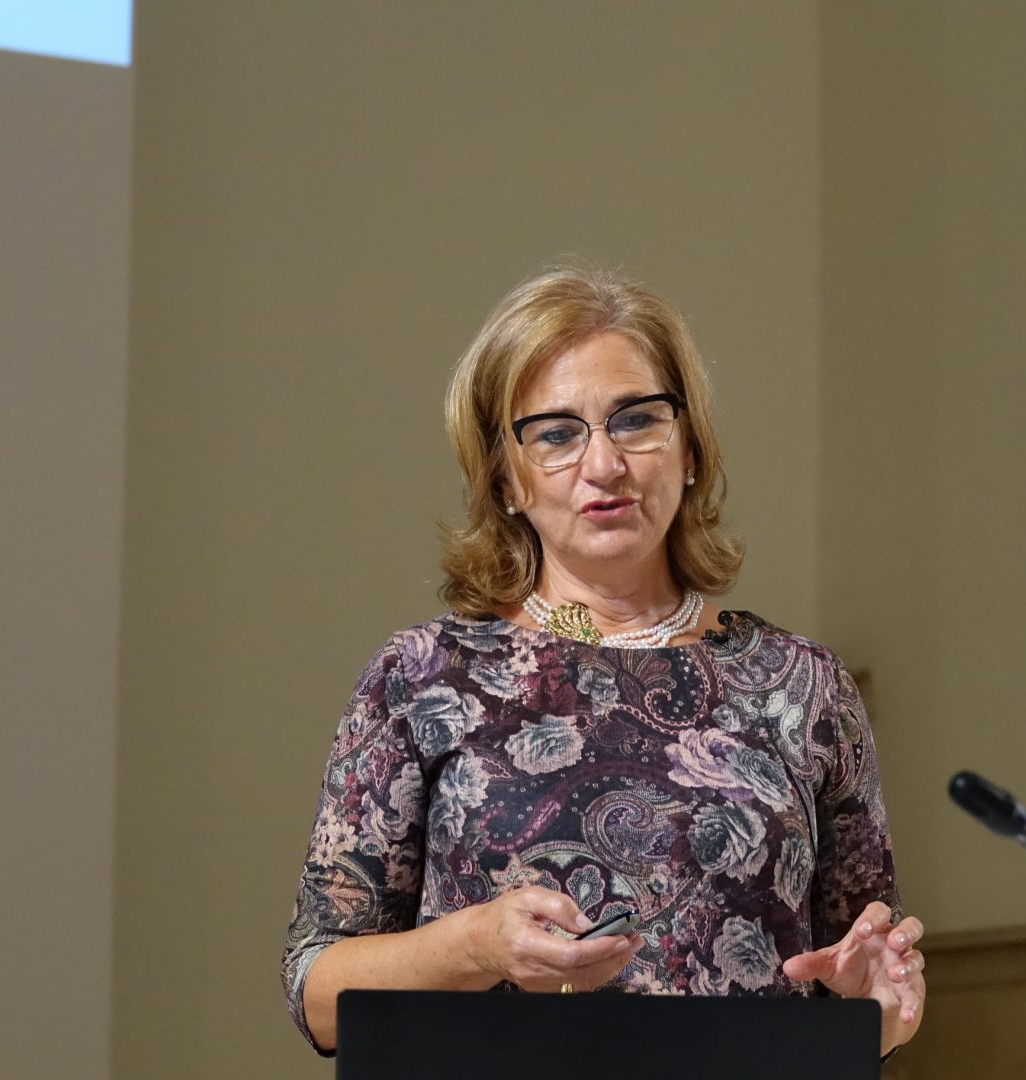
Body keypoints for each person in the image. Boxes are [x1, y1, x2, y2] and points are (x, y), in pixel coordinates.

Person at [281, 264, 926, 1059]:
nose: (604, 464)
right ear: (506, 480)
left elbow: (858, 982)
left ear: (690, 448)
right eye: (556, 434)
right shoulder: (423, 677)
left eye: (636, 420)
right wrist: (476, 946)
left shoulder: (804, 687)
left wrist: (877, 1010)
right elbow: (316, 992)